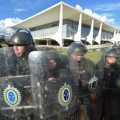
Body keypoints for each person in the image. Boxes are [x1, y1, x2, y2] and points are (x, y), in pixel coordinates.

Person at [1, 29, 36, 120]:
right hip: (15, 103)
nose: (15, 48)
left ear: (28, 45)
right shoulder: (13, 61)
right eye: (13, 45)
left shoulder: (35, 62)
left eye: (19, 45)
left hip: (31, 105)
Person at [67, 42, 98, 120]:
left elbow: (94, 79)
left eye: (81, 55)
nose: (79, 57)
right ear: (70, 54)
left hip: (85, 92)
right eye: (77, 55)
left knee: (87, 114)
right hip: (70, 93)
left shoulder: (89, 64)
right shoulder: (65, 63)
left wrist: (93, 92)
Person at [96, 47, 120, 120]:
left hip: (114, 94)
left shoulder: (118, 67)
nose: (112, 59)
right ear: (105, 57)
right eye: (110, 57)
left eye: (114, 57)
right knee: (99, 112)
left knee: (114, 113)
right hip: (101, 92)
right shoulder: (100, 65)